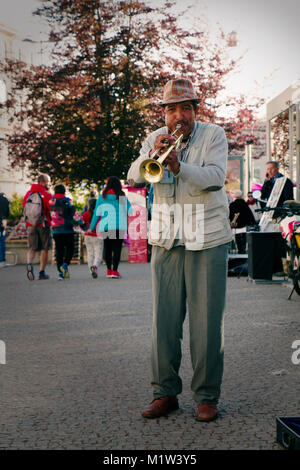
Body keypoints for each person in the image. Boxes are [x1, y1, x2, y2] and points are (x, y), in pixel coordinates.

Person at [127, 78, 232, 422]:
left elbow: (216, 176)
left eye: (185, 108)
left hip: (206, 238)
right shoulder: (155, 137)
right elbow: (134, 175)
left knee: (206, 324)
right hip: (167, 239)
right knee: (164, 322)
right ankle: (164, 394)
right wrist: (152, 157)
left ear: (194, 110)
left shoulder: (213, 135)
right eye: (171, 109)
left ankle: (206, 396)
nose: (178, 115)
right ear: (165, 112)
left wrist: (177, 166)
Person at [89, 176, 132, 279]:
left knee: (107, 248)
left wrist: (92, 227)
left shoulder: (102, 197)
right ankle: (115, 271)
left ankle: (108, 270)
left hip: (106, 225)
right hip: (119, 226)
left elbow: (96, 213)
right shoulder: (121, 196)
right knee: (117, 249)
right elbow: (129, 211)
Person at [23, 174, 52, 280]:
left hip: (30, 224)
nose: (49, 183)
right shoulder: (46, 194)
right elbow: (50, 208)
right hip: (43, 224)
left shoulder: (28, 194)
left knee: (32, 247)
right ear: (42, 182)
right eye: (48, 181)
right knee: (45, 248)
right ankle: (42, 272)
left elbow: (24, 206)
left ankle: (29, 264)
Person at [50, 184, 77, 280]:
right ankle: (65, 265)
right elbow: (74, 214)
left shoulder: (51, 201)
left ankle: (60, 274)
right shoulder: (68, 201)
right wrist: (84, 226)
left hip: (56, 230)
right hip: (68, 229)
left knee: (59, 251)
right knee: (70, 249)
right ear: (64, 191)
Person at [81, 198, 103, 279]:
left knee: (90, 254)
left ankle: (91, 271)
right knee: (98, 254)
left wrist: (85, 230)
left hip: (87, 235)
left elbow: (80, 223)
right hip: (98, 236)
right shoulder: (100, 214)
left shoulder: (85, 214)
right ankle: (95, 266)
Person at [229, 189, 256, 254]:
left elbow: (229, 214)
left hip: (236, 224)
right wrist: (252, 222)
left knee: (237, 237)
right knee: (244, 236)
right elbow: (249, 213)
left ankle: (239, 249)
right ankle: (243, 249)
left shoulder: (232, 204)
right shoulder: (244, 204)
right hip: (243, 224)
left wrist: (230, 221)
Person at [0, 192, 10, 268]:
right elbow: (7, 213)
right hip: (2, 222)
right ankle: (2, 261)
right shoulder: (5, 200)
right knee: (2, 241)